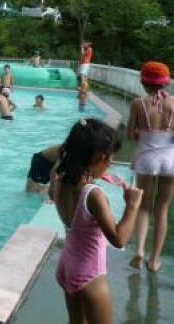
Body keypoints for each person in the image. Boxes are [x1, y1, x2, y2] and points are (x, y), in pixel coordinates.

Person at [52, 118, 142, 324]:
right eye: (109, 159)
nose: (111, 164)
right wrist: (132, 205)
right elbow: (119, 239)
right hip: (90, 275)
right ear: (99, 158)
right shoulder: (93, 194)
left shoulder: (60, 180)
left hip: (67, 266)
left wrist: (90, 174)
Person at [127, 61, 174, 273]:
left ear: (143, 83)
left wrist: (146, 136)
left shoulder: (138, 103)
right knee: (162, 209)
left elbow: (130, 134)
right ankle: (154, 260)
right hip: (170, 160)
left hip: (146, 159)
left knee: (144, 207)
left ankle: (139, 250)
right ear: (166, 82)